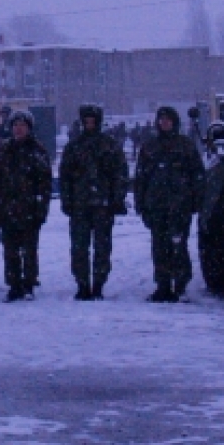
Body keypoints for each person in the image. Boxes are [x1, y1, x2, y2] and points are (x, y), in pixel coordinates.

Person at [134, 105, 206, 302]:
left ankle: (180, 284)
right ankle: (163, 285)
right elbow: (141, 178)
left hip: (180, 206)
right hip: (156, 206)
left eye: (167, 120)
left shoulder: (185, 146)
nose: (164, 123)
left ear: (174, 122)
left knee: (178, 246)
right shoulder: (150, 147)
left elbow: (197, 175)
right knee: (159, 247)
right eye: (161, 120)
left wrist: (196, 202)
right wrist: (140, 203)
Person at [59, 104, 129, 300]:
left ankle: (98, 284)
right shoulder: (74, 146)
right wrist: (67, 200)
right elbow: (65, 176)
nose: (89, 123)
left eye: (92, 120)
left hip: (103, 205)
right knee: (79, 247)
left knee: (102, 247)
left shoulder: (109, 145)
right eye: (86, 120)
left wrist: (117, 199)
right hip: (79, 205)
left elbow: (120, 174)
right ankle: (82, 284)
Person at [0, 109, 52, 301]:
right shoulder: (5, 150)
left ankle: (29, 284)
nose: (18, 129)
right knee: (10, 250)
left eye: (22, 125)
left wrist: (41, 208)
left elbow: (45, 183)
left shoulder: (37, 151)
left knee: (29, 250)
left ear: (29, 128)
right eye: (15, 125)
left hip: (30, 210)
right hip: (8, 210)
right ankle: (14, 284)